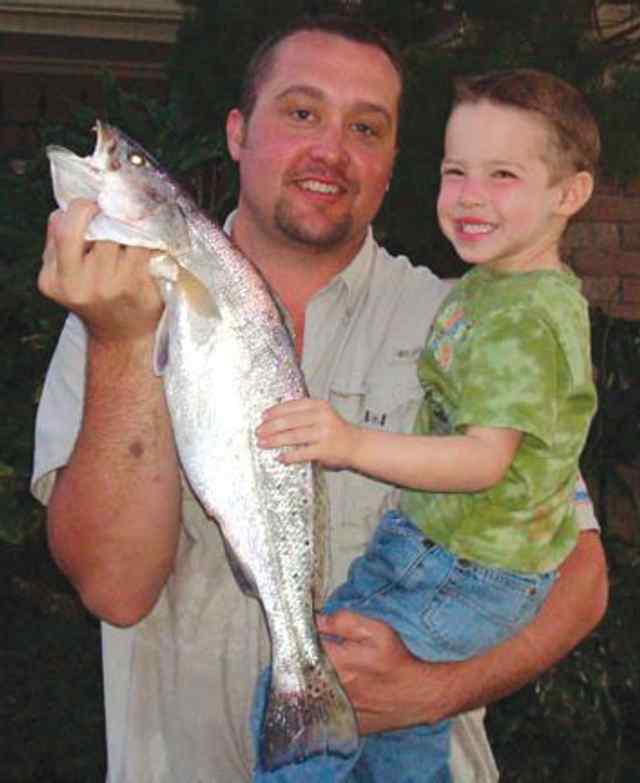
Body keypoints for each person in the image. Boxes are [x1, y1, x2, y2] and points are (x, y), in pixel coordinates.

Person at [31, 15, 608, 783]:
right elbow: (114, 586)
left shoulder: (469, 321)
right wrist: (120, 344)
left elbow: (582, 574)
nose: (332, 150)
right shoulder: (119, 314)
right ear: (238, 130)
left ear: (395, 158)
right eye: (301, 113)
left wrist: (436, 689)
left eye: (366, 127)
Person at [255, 68, 600, 781]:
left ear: (568, 194)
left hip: (461, 563)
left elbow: (484, 460)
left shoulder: (519, 319)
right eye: (456, 171)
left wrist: (349, 442)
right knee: (403, 708)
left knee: (309, 675)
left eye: (503, 174)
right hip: (468, 553)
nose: (471, 195)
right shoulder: (505, 285)